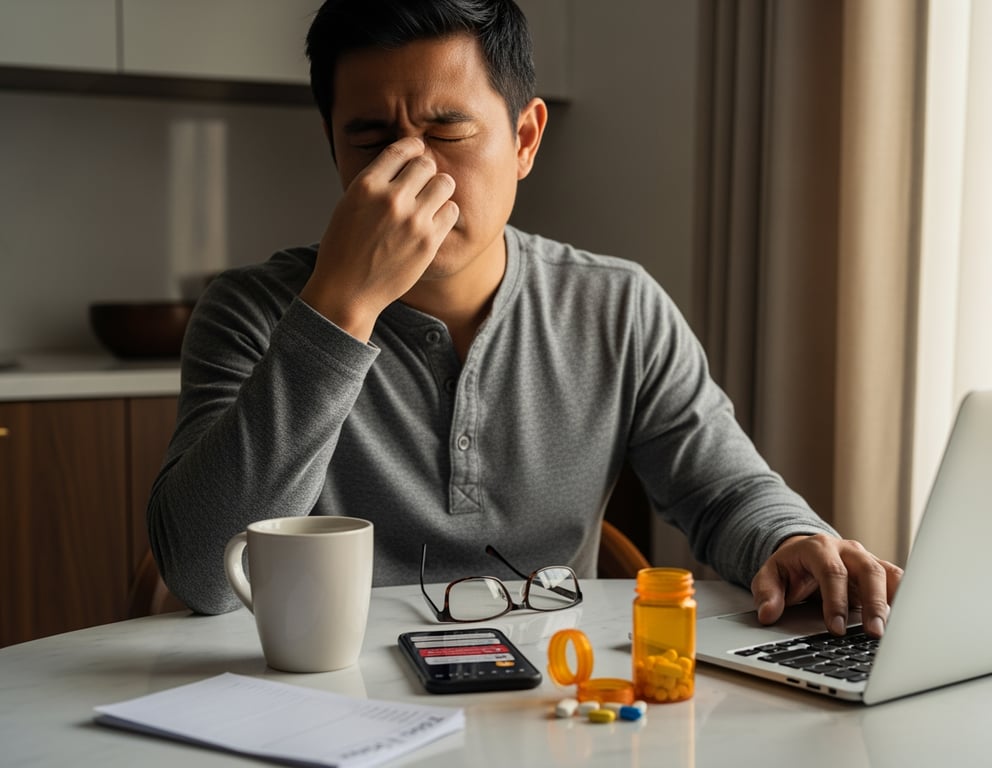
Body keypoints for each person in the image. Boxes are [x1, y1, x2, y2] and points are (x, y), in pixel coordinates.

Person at [147, 0, 902, 637]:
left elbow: (725, 492)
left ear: (525, 140)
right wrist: (342, 306)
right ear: (333, 150)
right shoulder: (252, 310)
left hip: (550, 705)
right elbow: (204, 574)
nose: (411, 170)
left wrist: (793, 538)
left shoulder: (617, 305)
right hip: (325, 708)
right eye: (371, 139)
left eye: (447, 132)